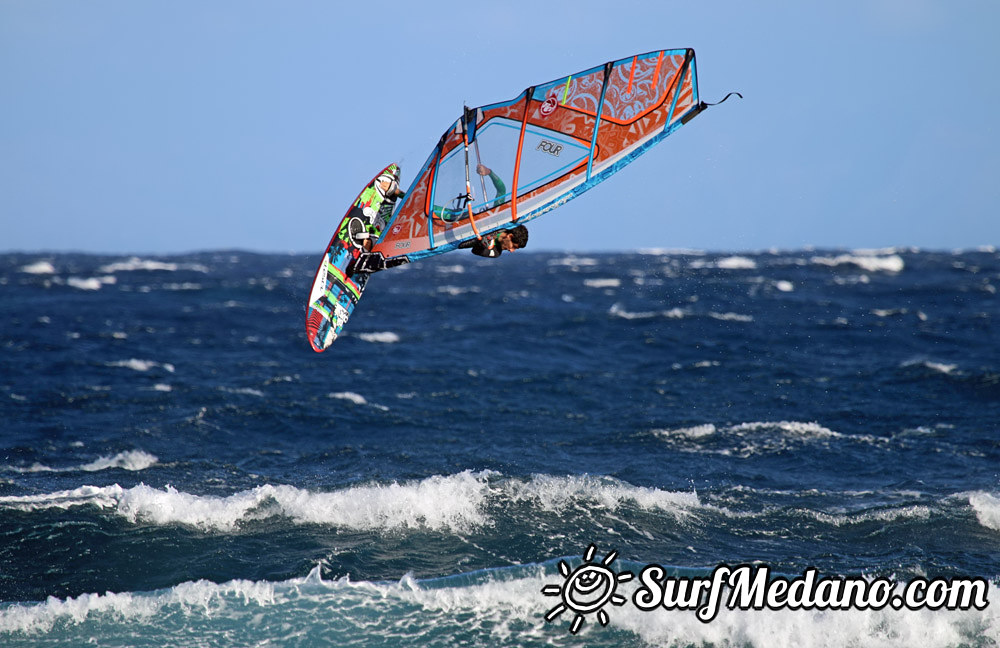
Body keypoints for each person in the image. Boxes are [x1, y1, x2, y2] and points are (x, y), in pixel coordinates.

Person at [433, 164, 506, 222]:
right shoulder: (496, 218)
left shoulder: (500, 234)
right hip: (467, 221)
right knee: (462, 214)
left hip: (470, 235)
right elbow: (501, 190)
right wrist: (489, 172)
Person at [459, 224, 528, 258]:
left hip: (459, 239)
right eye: (514, 246)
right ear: (509, 236)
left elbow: (476, 251)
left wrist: (483, 245)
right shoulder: (502, 224)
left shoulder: (496, 252)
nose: (512, 251)